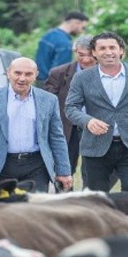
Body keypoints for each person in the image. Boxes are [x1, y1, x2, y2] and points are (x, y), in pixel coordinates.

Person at [65, 31, 128, 192]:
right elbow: (70, 108)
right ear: (94, 52)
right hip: (95, 146)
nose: (108, 52)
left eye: (112, 47)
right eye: (102, 48)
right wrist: (88, 121)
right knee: (96, 197)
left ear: (121, 50)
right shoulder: (82, 78)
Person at [0, 58, 72, 193]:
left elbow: (56, 137)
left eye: (28, 74)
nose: (22, 78)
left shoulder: (49, 100)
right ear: (8, 73)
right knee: (1, 210)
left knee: (32, 210)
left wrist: (63, 170)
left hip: (36, 166)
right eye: (17, 73)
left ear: (36, 74)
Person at [43, 35, 95, 178]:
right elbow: (47, 102)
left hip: (95, 127)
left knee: (92, 171)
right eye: (81, 55)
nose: (86, 59)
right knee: (64, 169)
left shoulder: (106, 73)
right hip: (67, 127)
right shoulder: (58, 73)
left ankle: (89, 198)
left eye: (90, 55)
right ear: (75, 52)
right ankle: (63, 198)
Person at [35, 11, 88, 83]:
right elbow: (59, 73)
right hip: (49, 85)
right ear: (76, 23)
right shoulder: (65, 43)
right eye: (83, 27)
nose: (82, 31)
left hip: (38, 81)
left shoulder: (48, 35)